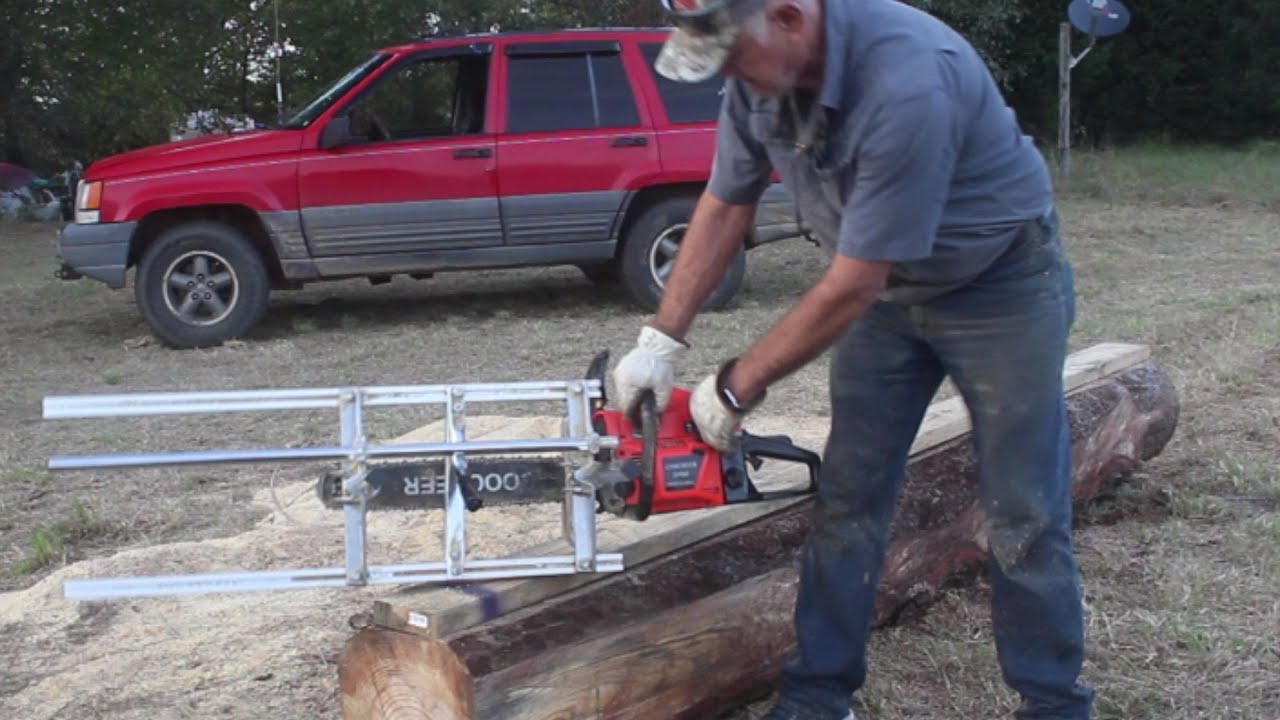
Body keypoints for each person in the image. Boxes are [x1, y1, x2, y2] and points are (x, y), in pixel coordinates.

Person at [610, 0, 1095, 718]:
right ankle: (818, 696)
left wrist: (736, 385)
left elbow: (855, 281)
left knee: (1024, 507)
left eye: (736, 56)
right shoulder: (759, 75)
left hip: (998, 285)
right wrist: (661, 340)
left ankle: (1053, 704)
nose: (732, 77)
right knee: (849, 493)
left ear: (788, 17)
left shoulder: (907, 80)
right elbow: (724, 203)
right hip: (888, 297)